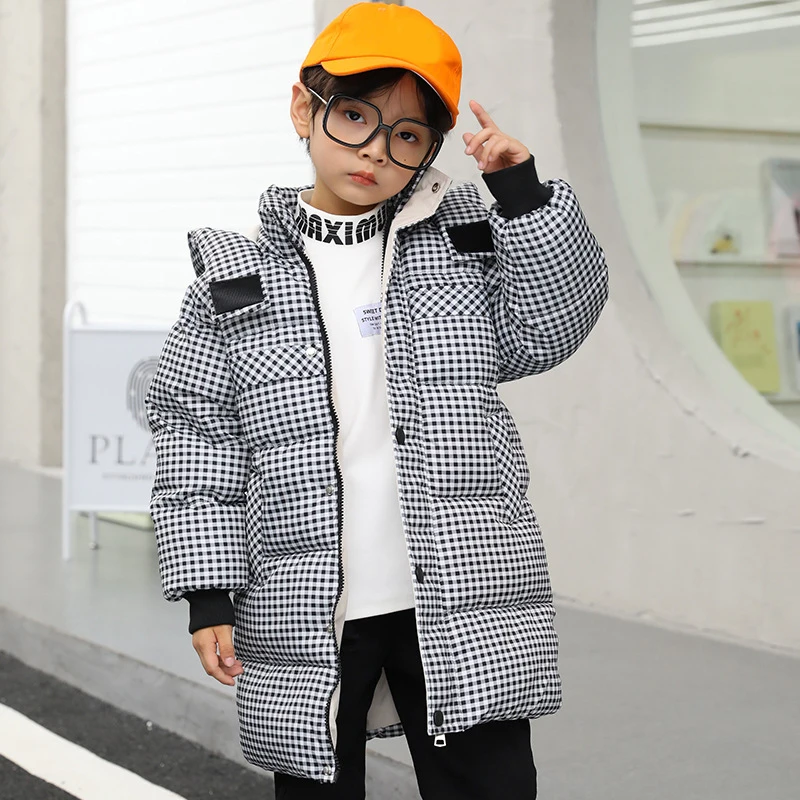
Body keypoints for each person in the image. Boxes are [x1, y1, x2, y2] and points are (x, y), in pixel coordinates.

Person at [145, 3, 609, 798]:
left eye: (407, 135)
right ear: (305, 109)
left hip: (462, 590)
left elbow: (551, 327)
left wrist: (522, 197)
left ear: (430, 149)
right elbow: (196, 437)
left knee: (489, 782)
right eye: (355, 117)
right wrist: (207, 592)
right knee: (319, 785)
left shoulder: (461, 246)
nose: (375, 151)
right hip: (308, 603)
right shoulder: (234, 282)